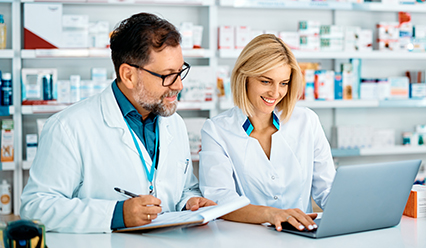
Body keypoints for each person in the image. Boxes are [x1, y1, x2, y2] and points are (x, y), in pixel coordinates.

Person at [20, 12, 215, 233]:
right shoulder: (69, 127)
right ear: (129, 75)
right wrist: (116, 214)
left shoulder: (175, 124)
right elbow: (36, 207)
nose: (179, 85)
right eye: (168, 75)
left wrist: (190, 202)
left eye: (180, 71)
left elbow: (185, 187)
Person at [199, 34, 336, 232]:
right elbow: (220, 200)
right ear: (244, 77)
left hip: (301, 239)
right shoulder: (217, 130)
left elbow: (327, 190)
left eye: (283, 83)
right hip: (245, 240)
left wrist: (367, 208)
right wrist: (271, 215)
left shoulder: (306, 121)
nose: (275, 93)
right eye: (265, 81)